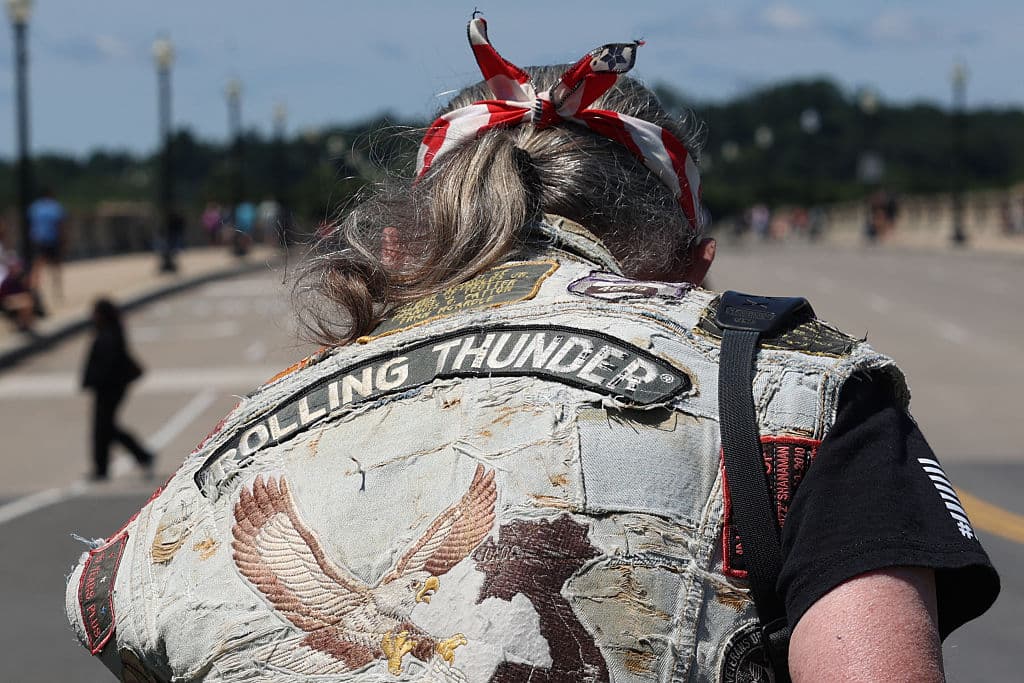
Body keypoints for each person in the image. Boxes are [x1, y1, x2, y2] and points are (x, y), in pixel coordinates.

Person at [65, 15, 997, 682]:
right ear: (691, 267)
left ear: (396, 247)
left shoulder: (228, 455)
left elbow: (107, 597)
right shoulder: (797, 390)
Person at [81, 298, 154, 481]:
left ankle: (140, 456)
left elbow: (108, 364)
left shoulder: (110, 333)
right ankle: (106, 466)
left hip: (110, 388)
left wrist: (95, 381)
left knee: (104, 427)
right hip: (107, 387)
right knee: (105, 428)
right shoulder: (108, 330)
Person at [28, 186, 66, 302]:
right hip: (52, 239)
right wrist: (64, 240)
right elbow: (60, 225)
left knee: (37, 266)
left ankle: (33, 289)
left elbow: (31, 223)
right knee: (56, 266)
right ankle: (57, 291)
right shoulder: (55, 207)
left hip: (38, 239)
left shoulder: (34, 207)